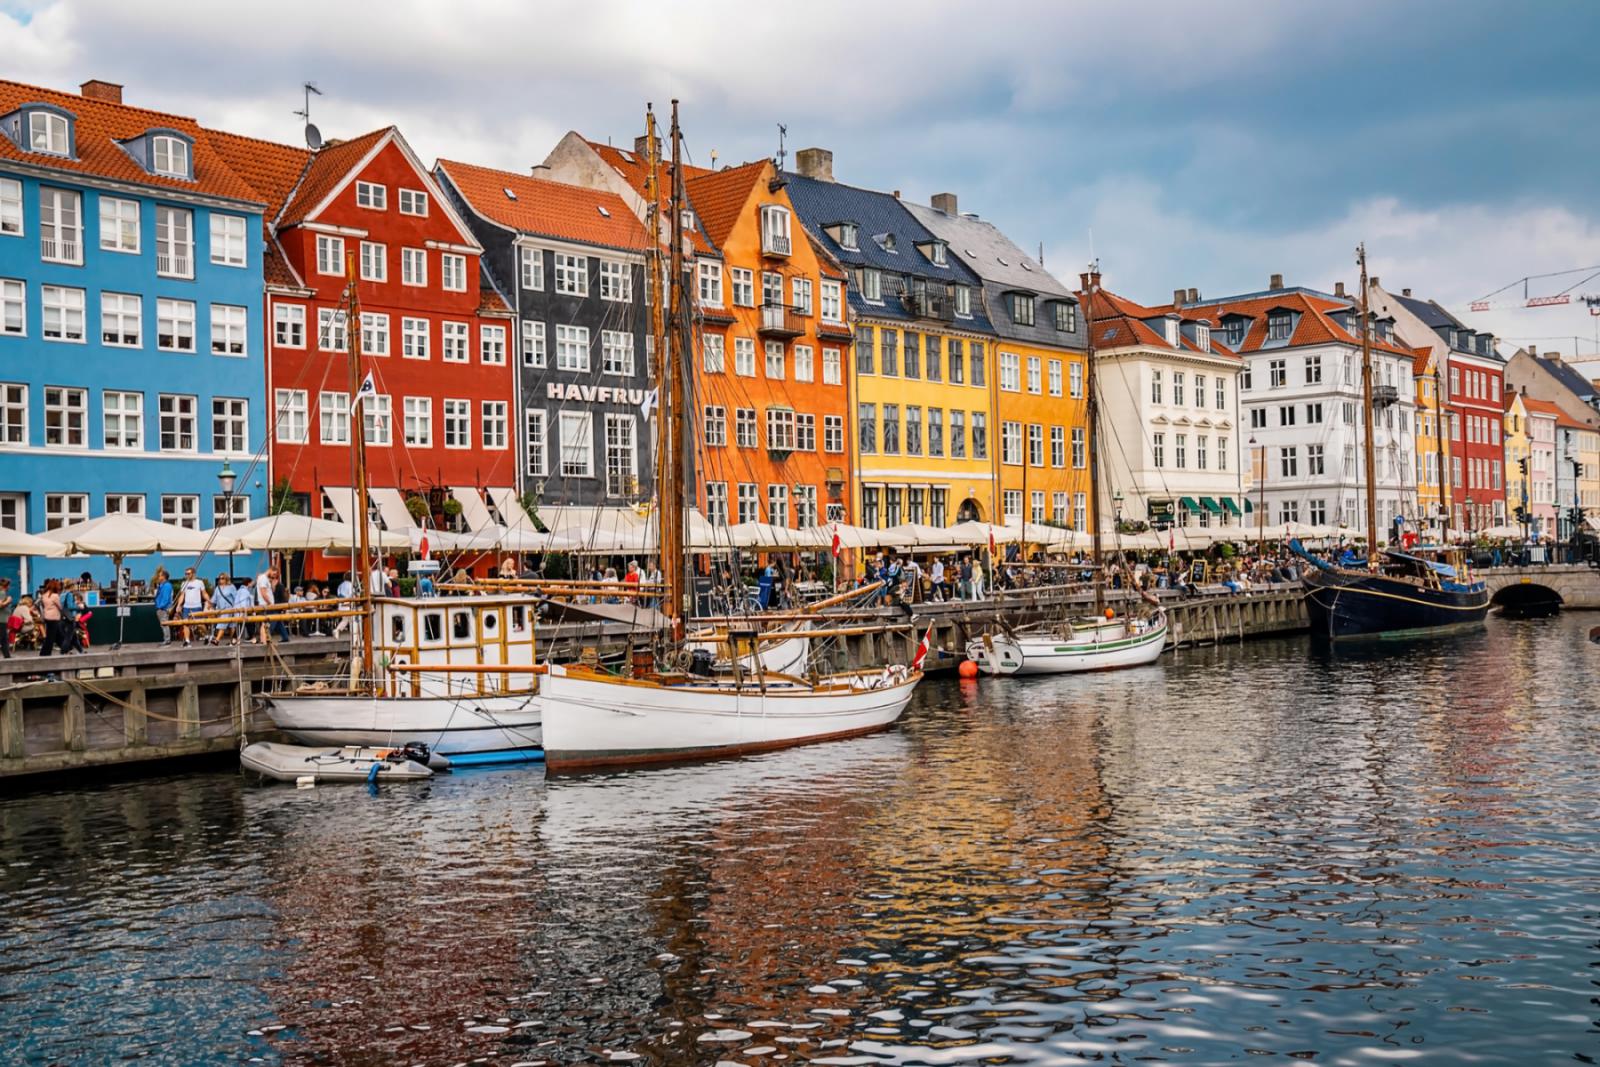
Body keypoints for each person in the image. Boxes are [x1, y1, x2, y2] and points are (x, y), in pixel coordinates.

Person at [178, 567, 209, 646]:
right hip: (186, 607)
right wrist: (179, 605)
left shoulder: (199, 582)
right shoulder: (184, 584)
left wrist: (209, 601)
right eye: (186, 574)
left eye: (188, 573)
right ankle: (187, 641)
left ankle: (207, 636)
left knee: (199, 624)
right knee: (185, 624)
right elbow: (182, 595)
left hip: (196, 606)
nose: (186, 575)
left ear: (193, 574)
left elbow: (204, 593)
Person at [38, 579, 65, 657]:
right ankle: (45, 652)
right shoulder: (55, 596)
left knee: (54, 634)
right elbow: (60, 607)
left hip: (47, 617)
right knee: (51, 637)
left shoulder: (44, 595)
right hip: (54, 617)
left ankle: (64, 648)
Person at [210, 571, 236, 645]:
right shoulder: (217, 588)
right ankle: (233, 640)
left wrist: (236, 607)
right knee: (231, 625)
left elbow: (236, 597)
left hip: (229, 609)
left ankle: (217, 640)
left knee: (223, 623)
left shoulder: (231, 587)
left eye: (223, 578)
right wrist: (210, 606)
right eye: (220, 578)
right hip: (220, 610)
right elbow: (214, 599)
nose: (221, 580)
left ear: (226, 579)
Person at [152, 567, 174, 646]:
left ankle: (167, 640)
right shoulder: (162, 585)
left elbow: (166, 598)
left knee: (164, 624)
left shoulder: (167, 586)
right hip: (160, 608)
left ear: (163, 576)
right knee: (163, 624)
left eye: (159, 575)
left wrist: (160, 606)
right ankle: (166, 639)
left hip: (163, 608)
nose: (158, 577)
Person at [0, 577, 12, 659]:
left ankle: (7, 655)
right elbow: (0, 605)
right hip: (1, 619)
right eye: (8, 585)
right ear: (6, 586)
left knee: (4, 638)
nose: (9, 587)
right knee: (3, 638)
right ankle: (7, 656)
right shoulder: (2, 593)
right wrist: (8, 600)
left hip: (3, 619)